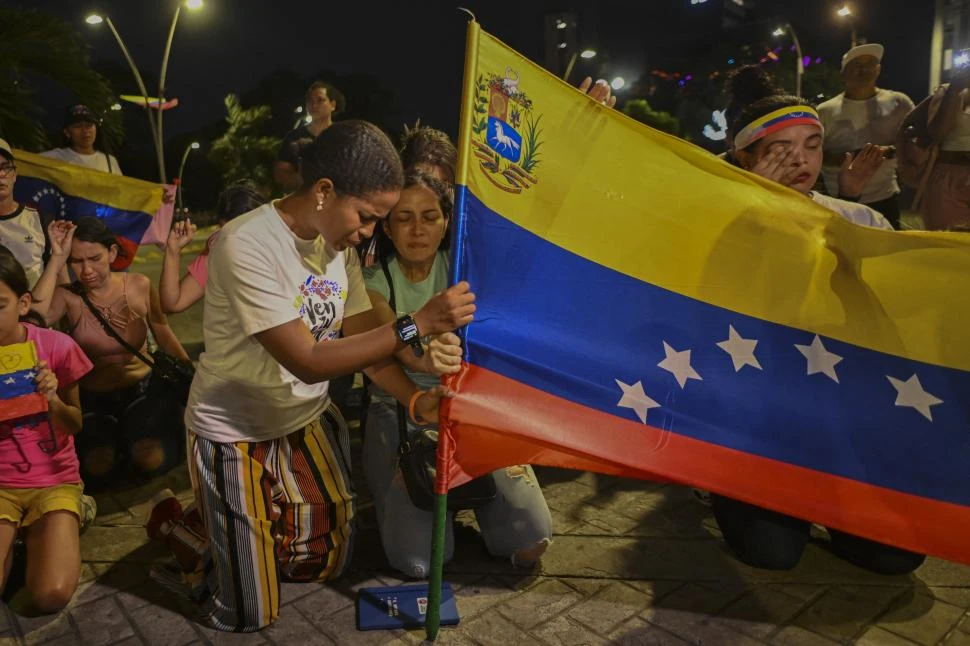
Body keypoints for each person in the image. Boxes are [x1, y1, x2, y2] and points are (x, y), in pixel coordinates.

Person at [143, 120, 475, 632]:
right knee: (249, 613)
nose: (369, 233)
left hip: (302, 418)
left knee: (324, 561)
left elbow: (365, 333)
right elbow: (309, 358)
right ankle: (188, 528)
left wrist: (415, 396)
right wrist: (419, 322)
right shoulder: (245, 244)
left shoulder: (335, 243)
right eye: (367, 217)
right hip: (234, 429)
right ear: (324, 192)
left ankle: (248, 522)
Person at [718, 90, 926, 574]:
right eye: (779, 149)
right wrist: (762, 218)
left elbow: (896, 313)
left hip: (839, 419)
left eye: (812, 145)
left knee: (897, 558)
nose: (800, 160)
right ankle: (720, 484)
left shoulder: (860, 219)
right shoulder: (723, 223)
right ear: (744, 157)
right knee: (774, 554)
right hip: (759, 423)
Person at [362, 170, 551, 578]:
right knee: (420, 562)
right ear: (388, 229)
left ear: (448, 222)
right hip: (401, 407)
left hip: (468, 406)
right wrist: (423, 348)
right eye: (404, 218)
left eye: (430, 216)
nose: (417, 229)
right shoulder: (373, 281)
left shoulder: (465, 268)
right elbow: (392, 340)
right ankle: (433, 511)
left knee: (531, 542)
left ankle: (472, 499)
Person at [29, 217, 190, 490]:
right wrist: (57, 257)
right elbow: (33, 319)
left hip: (144, 391)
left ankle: (137, 442)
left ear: (112, 253)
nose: (87, 269)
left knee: (151, 460)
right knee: (98, 468)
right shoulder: (68, 297)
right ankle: (118, 445)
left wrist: (191, 375)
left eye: (94, 258)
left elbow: (162, 330)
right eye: (77, 261)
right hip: (95, 400)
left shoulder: (139, 284)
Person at [0, 246, 92, 613]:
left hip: (54, 480)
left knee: (49, 594)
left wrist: (52, 399)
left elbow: (76, 424)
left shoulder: (56, 347)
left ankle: (75, 511)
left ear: (23, 303)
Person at [816, 44, 914, 229]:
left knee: (887, 254)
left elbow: (914, 143)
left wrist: (887, 152)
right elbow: (815, 153)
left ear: (878, 69)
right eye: (856, 65)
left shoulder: (899, 103)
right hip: (838, 199)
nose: (864, 70)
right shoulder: (825, 111)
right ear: (843, 74)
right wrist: (847, 159)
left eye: (871, 63)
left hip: (884, 196)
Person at [160, 181, 264, 314]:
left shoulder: (287, 242)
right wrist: (172, 251)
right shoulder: (218, 249)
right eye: (225, 232)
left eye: (241, 234)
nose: (232, 242)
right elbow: (173, 304)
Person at [922, 66, 970, 230]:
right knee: (948, 242)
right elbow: (937, 132)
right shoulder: (948, 90)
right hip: (950, 176)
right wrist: (955, 89)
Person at [0, 139, 52, 288]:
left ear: (14, 175)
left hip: (34, 308)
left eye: (5, 167)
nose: (1, 174)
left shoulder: (41, 219)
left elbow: (58, 273)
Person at [274, 81, 344, 191]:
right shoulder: (294, 137)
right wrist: (299, 181)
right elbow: (281, 170)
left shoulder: (343, 136)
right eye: (310, 101)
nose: (314, 105)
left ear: (333, 105)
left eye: (320, 100)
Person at [41, 105, 122, 176]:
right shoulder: (55, 158)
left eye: (89, 125)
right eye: (78, 126)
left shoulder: (110, 162)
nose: (85, 130)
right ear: (67, 133)